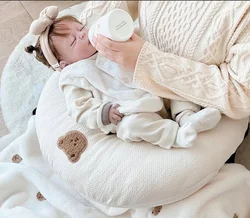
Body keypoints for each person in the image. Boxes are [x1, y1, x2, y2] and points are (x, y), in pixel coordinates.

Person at [25, 6, 221, 149]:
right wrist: (104, 112)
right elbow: (79, 109)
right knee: (131, 127)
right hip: (131, 109)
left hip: (153, 86)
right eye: (74, 40)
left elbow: (137, 39)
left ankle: (188, 118)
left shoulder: (104, 41)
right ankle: (176, 136)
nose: (83, 35)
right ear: (64, 64)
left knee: (175, 85)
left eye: (81, 29)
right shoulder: (73, 77)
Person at [88, 1, 250, 120]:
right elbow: (88, 25)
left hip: (195, 118)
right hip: (122, 94)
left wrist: (148, 61)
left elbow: (240, 96)